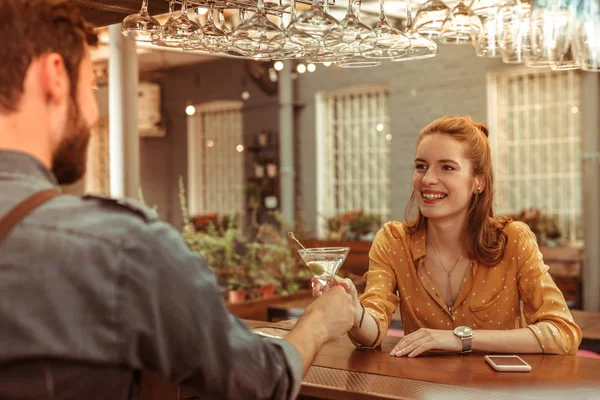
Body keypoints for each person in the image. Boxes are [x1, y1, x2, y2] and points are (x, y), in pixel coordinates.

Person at [0, 1, 355, 399]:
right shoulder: (117, 247)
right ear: (55, 77)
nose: (91, 110)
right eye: (92, 86)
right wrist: (321, 321)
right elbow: (258, 380)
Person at [314, 115, 582, 357]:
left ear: (479, 182)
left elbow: (562, 333)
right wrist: (354, 309)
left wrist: (460, 339)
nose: (428, 179)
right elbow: (370, 337)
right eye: (421, 166)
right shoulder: (394, 241)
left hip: (499, 390)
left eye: (447, 168)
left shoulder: (512, 239)